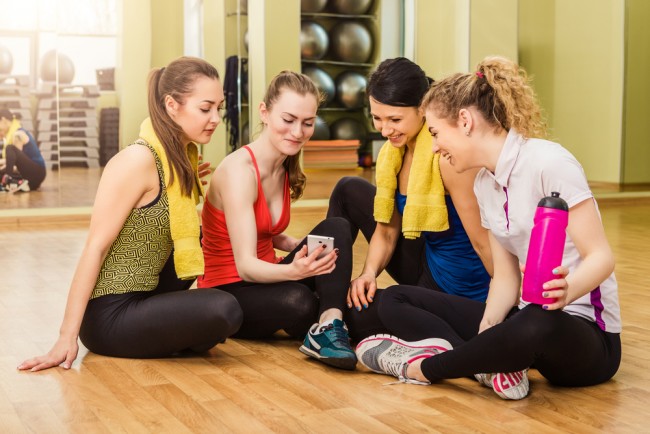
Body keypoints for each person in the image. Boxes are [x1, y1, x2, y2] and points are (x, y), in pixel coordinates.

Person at [355, 56, 622, 400]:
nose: (434, 146)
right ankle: (490, 360)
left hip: (588, 335)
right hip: (528, 315)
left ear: (465, 121)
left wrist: (566, 291)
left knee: (538, 319)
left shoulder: (549, 163)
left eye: (436, 133)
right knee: (395, 298)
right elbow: (505, 277)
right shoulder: (485, 183)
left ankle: (421, 368)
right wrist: (487, 331)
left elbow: (601, 257)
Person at [17, 56, 243, 372]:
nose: (216, 118)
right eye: (205, 109)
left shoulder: (178, 162)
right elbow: (95, 247)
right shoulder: (137, 160)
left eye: (219, 108)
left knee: (200, 237)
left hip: (148, 296)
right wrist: (65, 337)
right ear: (172, 105)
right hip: (111, 315)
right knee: (224, 310)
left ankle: (171, 334)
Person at [197, 71, 357, 370]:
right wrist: (296, 271)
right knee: (299, 301)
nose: (297, 132)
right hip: (232, 288)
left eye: (307, 123)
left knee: (337, 228)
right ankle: (330, 313)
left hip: (268, 277)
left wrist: (292, 244)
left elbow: (262, 229)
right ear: (265, 113)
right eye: (288, 119)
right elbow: (245, 266)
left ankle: (329, 322)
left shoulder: (285, 166)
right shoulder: (240, 171)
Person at [326, 57, 493, 341]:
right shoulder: (393, 155)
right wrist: (367, 274)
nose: (384, 130)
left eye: (395, 120)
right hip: (428, 265)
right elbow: (387, 230)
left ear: (423, 109)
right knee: (348, 189)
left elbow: (483, 242)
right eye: (377, 118)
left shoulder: (448, 158)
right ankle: (324, 299)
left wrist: (504, 310)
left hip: (463, 289)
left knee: (366, 311)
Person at [0, 108, 46, 192]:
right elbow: (10, 161)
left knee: (10, 148)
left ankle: (8, 181)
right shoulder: (13, 134)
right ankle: (19, 185)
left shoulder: (18, 134)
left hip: (36, 173)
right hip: (31, 177)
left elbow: (14, 164)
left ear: (3, 120)